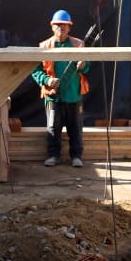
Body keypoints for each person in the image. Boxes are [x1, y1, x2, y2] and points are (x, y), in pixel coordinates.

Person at [31, 10, 90, 168]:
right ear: (52, 27)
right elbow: (35, 70)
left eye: (64, 25)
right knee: (53, 128)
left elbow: (86, 68)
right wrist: (47, 80)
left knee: (75, 128)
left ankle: (76, 156)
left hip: (74, 95)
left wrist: (83, 65)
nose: (61, 28)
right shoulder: (44, 47)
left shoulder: (78, 45)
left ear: (69, 27)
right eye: (58, 25)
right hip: (53, 95)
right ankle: (53, 156)